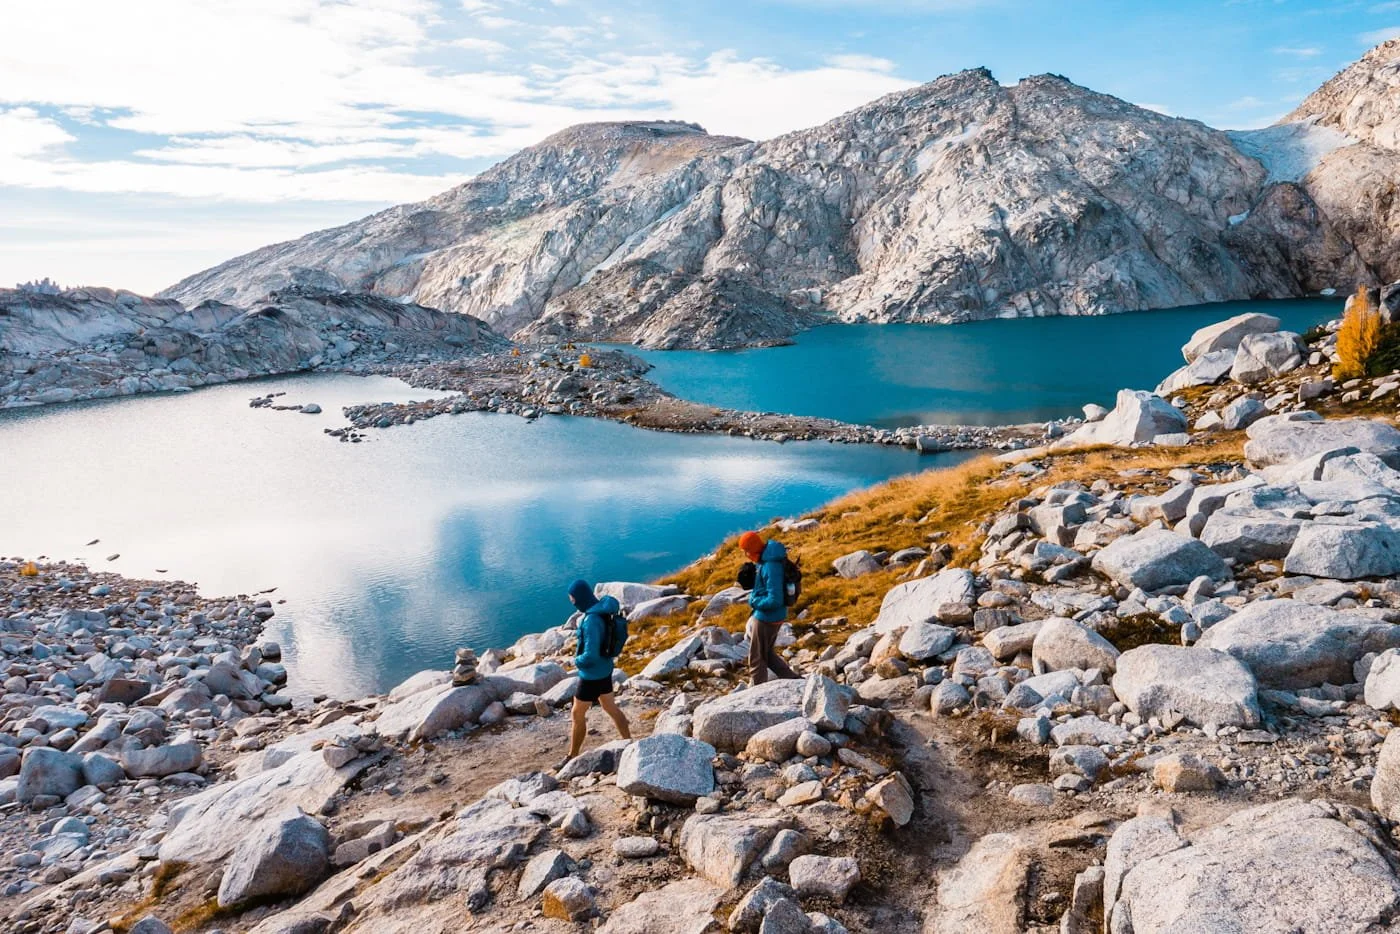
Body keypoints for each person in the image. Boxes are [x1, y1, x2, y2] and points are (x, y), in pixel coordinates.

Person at [563, 579, 631, 765]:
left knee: (577, 715)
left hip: (590, 676)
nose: (572, 601)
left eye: (572, 598)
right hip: (605, 670)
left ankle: (572, 755)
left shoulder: (591, 620)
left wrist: (576, 661)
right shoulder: (602, 610)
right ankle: (628, 742)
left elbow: (591, 654)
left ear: (580, 598)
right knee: (610, 707)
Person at [738, 531, 800, 685]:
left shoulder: (770, 566)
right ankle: (794, 681)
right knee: (767, 654)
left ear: (752, 549)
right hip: (774, 616)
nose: (745, 554)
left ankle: (758, 693)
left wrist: (754, 601)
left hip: (767, 618)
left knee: (757, 658)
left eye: (746, 550)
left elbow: (775, 599)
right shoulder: (769, 559)